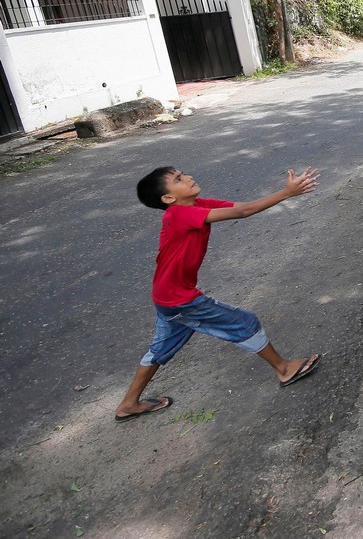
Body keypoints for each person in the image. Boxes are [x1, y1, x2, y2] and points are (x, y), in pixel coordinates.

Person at [115, 166, 323, 422]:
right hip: (181, 300)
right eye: (179, 179)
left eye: (183, 173)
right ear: (168, 199)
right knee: (245, 322)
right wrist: (286, 193)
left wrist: (285, 192)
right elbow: (242, 211)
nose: (188, 177)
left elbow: (243, 207)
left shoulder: (198, 204)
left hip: (166, 297)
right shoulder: (177, 214)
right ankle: (284, 369)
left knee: (159, 350)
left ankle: (128, 405)